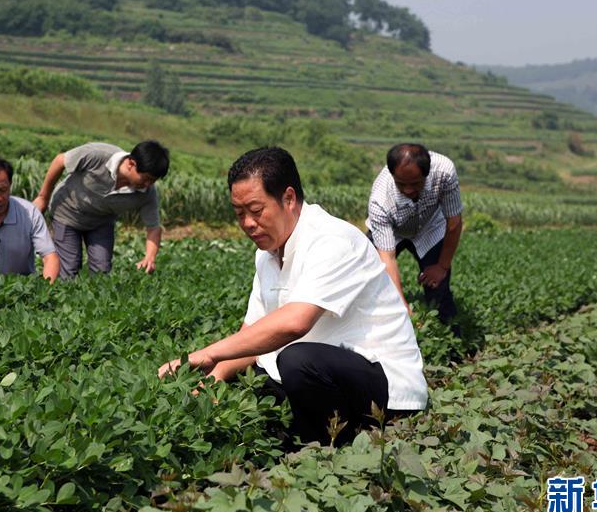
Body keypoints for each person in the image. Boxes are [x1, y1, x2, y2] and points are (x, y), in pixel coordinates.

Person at [158, 147, 428, 447]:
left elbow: (294, 324)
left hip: (387, 388)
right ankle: (299, 438)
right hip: (324, 376)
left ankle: (328, 447)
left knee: (295, 359)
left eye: (256, 210)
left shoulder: (332, 240)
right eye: (239, 214)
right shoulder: (267, 255)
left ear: (288, 198)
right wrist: (214, 377)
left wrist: (208, 354)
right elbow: (253, 331)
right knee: (256, 375)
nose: (247, 223)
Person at [32, 141, 169, 279]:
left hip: (101, 222)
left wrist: (150, 257)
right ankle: (55, 295)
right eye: (146, 179)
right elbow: (60, 160)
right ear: (131, 164)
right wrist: (43, 197)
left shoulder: (146, 192)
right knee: (69, 268)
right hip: (67, 212)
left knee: (101, 272)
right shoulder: (98, 155)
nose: (147, 184)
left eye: (153, 181)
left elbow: (153, 227)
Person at [366, 143, 463, 332]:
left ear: (427, 174)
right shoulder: (380, 200)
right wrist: (401, 305)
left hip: (430, 228)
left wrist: (442, 266)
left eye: (415, 184)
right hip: (392, 232)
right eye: (401, 184)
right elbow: (387, 258)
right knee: (369, 280)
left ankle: (453, 346)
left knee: (439, 291)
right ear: (392, 174)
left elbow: (454, 222)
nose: (409, 190)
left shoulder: (444, 172)